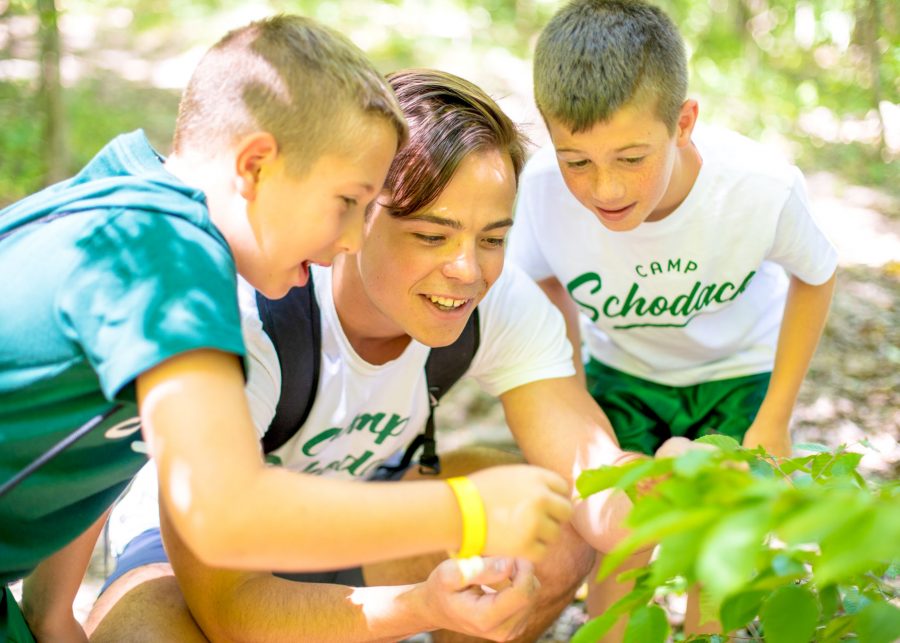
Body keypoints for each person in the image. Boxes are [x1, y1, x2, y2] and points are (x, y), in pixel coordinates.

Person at [0, 19, 575, 642]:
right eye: (347, 203)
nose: (350, 241)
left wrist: (52, 613)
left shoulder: (126, 198)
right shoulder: (170, 261)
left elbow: (97, 437)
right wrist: (466, 511)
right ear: (255, 166)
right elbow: (223, 512)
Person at [83, 69, 661, 643]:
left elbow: (591, 478)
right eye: (432, 237)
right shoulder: (251, 315)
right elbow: (231, 611)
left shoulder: (500, 301)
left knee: (553, 530)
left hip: (367, 524)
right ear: (356, 211)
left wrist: (685, 487)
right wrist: (420, 606)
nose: (469, 271)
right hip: (198, 561)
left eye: (493, 238)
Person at [508, 0, 838, 637]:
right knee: (622, 544)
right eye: (578, 160)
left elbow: (817, 275)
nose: (604, 189)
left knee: (715, 550)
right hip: (623, 377)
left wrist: (774, 416)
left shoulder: (757, 189)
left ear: (683, 123)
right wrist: (573, 389)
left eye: (632, 158)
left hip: (738, 379)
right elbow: (542, 283)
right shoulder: (544, 192)